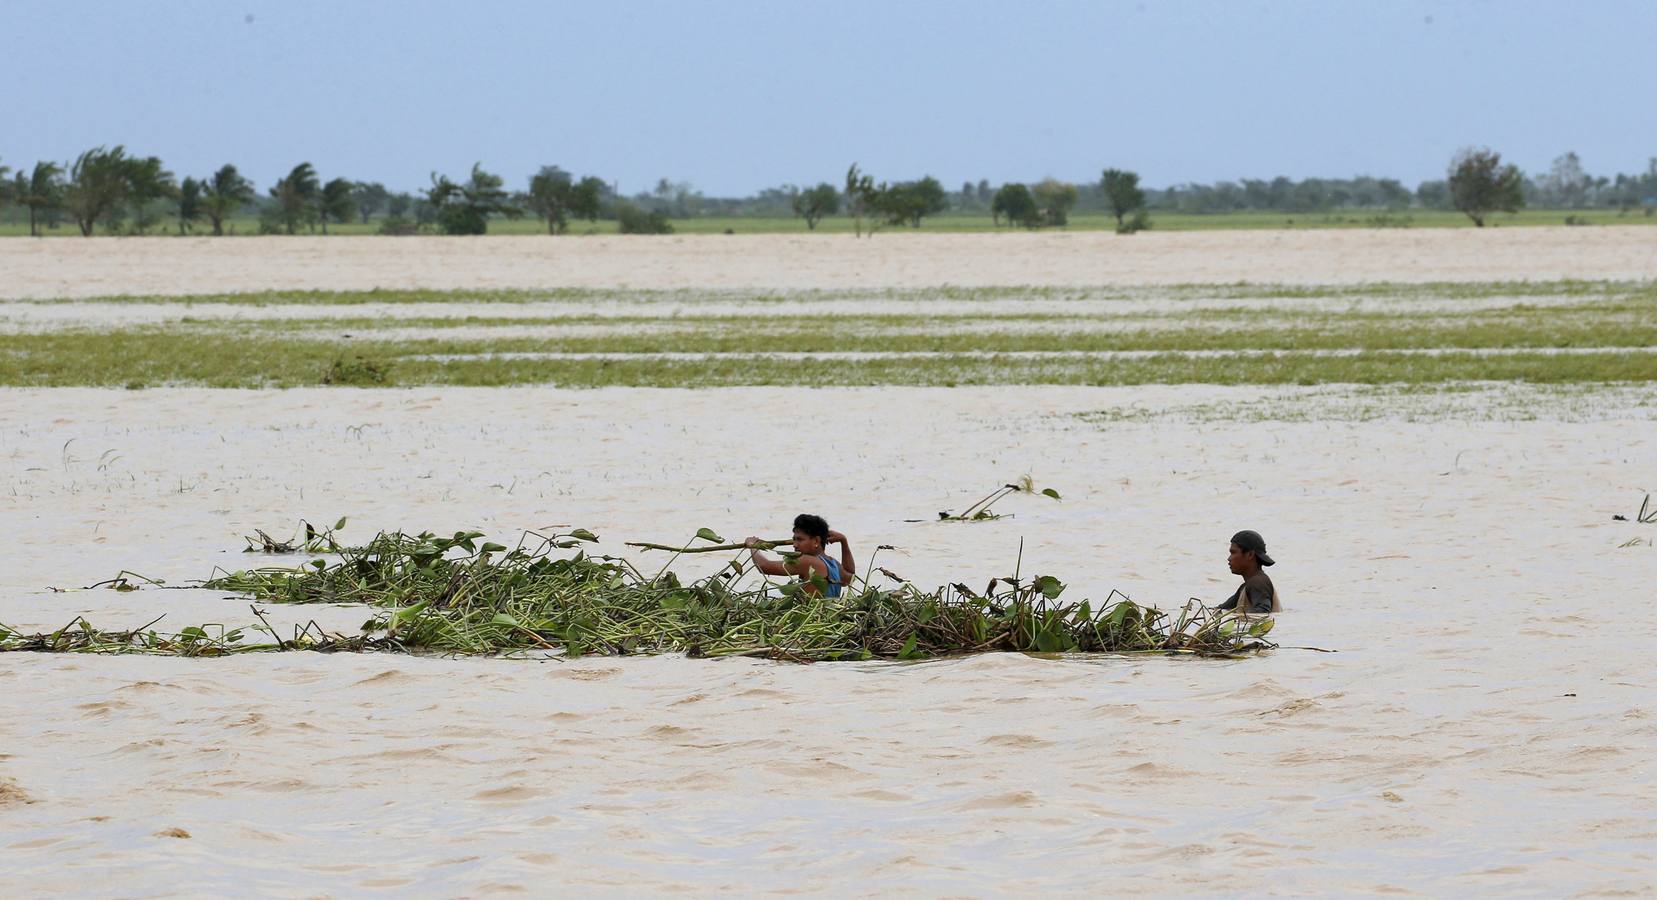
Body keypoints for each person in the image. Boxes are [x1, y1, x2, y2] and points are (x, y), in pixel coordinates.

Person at [744, 514, 855, 598]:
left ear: (816, 541)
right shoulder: (833, 564)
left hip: (813, 622)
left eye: (800, 540)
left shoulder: (808, 561)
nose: (795, 545)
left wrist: (753, 547)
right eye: (794, 540)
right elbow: (850, 577)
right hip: (830, 618)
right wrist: (843, 541)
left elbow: (764, 566)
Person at [1215, 530, 1282, 614]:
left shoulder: (1258, 582)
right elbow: (1220, 609)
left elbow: (1263, 613)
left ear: (1250, 554)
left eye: (1233, 552)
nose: (1229, 558)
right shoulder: (1246, 586)